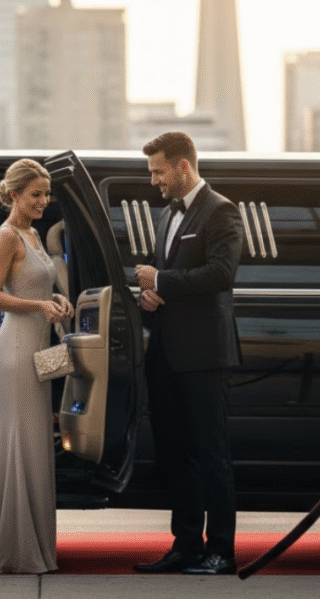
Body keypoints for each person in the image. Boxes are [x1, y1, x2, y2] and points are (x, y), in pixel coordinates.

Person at [131, 132, 244, 576]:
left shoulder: (221, 210)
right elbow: (166, 281)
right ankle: (185, 546)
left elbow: (220, 274)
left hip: (203, 358)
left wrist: (159, 282)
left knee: (211, 455)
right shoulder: (164, 216)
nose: (154, 180)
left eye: (159, 171)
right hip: (165, 355)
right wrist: (147, 298)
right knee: (175, 455)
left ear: (182, 166)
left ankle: (221, 551)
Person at [0, 159, 74, 574]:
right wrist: (38, 305)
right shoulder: (6, 235)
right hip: (14, 347)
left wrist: (56, 302)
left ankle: (29, 543)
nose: (44, 201)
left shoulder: (35, 234)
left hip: (37, 344)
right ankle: (12, 546)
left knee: (34, 437)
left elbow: (37, 284)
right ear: (13, 195)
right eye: (36, 195)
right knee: (20, 436)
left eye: (46, 194)